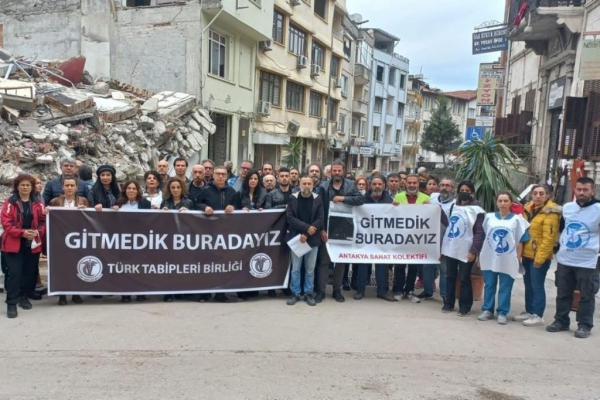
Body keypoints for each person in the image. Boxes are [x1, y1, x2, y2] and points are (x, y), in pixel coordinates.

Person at [547, 177, 600, 339]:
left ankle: (584, 325)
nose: (581, 193)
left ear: (593, 191)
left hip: (588, 261)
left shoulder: (598, 209)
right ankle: (561, 321)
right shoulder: (568, 208)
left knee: (587, 295)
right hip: (565, 260)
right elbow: (563, 229)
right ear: (575, 190)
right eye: (579, 189)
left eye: (585, 190)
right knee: (563, 292)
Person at [477, 192, 530, 325]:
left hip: (508, 257)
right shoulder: (488, 218)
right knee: (489, 284)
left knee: (506, 286)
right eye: (500, 201)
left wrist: (517, 258)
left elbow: (520, 240)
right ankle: (488, 310)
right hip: (489, 256)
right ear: (496, 202)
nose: (503, 203)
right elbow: (484, 238)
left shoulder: (518, 219)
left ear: (511, 202)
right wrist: (479, 255)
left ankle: (502, 312)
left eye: (506, 201)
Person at [316, 160, 365, 303]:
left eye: (339, 170)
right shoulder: (323, 186)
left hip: (345, 229)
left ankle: (337, 290)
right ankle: (321, 290)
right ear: (330, 172)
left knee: (340, 262)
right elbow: (319, 209)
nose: (336, 173)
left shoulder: (350, 185)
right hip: (327, 229)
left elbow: (360, 199)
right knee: (324, 261)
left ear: (343, 171)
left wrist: (343, 198)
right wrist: (322, 229)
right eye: (334, 171)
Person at [514, 184, 561, 327]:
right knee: (528, 284)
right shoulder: (528, 209)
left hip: (539, 256)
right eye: (535, 193)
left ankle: (538, 315)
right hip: (527, 254)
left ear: (547, 195)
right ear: (532, 195)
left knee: (537, 285)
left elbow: (549, 239)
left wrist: (540, 258)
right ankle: (530, 311)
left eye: (541, 193)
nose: (538, 196)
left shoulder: (551, 212)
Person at [1, 174, 46, 318]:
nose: (25, 187)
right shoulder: (10, 202)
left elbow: (43, 220)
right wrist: (22, 233)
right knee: (14, 273)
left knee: (29, 271)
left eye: (28, 185)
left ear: (32, 187)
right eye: (22, 185)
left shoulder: (37, 202)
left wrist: (37, 232)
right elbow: (6, 223)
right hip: (13, 243)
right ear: (17, 187)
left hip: (31, 242)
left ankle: (23, 297)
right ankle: (11, 303)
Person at [441, 180, 485, 317]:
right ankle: (448, 303)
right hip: (451, 247)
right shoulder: (453, 206)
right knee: (450, 276)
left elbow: (479, 232)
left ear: (472, 192)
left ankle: (465, 306)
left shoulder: (477, 210)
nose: (464, 193)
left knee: (465, 278)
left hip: (466, 250)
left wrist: (474, 251)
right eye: (462, 190)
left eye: (467, 190)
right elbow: (446, 221)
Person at [194, 166, 236, 303]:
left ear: (226, 176)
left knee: (222, 265)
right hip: (207, 233)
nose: (220, 176)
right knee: (207, 264)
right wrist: (204, 207)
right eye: (217, 174)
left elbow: (240, 206)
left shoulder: (232, 192)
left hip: (225, 233)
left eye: (223, 174)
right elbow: (195, 204)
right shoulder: (205, 191)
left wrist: (233, 207)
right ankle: (204, 293)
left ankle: (221, 293)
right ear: (213, 175)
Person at [354, 176, 396, 302]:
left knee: (382, 265)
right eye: (374, 184)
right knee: (363, 265)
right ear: (370, 185)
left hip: (382, 239)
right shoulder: (362, 199)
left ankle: (382, 291)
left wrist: (397, 208)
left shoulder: (389, 200)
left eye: (379, 184)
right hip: (365, 237)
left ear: (384, 185)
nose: (377, 186)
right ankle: (360, 290)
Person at [48, 175, 88, 306]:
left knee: (76, 265)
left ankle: (76, 293)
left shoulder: (83, 200)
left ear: (77, 187)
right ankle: (62, 295)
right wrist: (47, 211)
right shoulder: (55, 202)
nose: (69, 188)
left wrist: (86, 210)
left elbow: (90, 219)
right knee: (62, 267)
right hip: (60, 240)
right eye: (67, 185)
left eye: (72, 185)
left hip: (78, 239)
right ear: (62, 187)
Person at [286, 175, 324, 306]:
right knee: (295, 269)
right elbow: (290, 218)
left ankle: (308, 293)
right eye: (304, 183)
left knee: (310, 269)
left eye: (309, 183)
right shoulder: (293, 198)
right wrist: (306, 229)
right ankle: (295, 294)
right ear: (299, 185)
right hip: (297, 238)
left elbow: (320, 218)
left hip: (312, 239)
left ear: (313, 186)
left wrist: (307, 233)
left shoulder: (318, 199)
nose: (306, 186)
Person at [392, 174, 430, 303]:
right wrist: (393, 207)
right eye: (410, 183)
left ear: (419, 184)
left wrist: (429, 207)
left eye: (415, 183)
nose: (412, 185)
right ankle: (398, 290)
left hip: (417, 238)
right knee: (400, 266)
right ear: (405, 183)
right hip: (401, 238)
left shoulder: (426, 198)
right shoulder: (398, 197)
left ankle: (409, 291)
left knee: (413, 267)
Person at [112, 180, 152, 303]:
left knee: (139, 268)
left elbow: (150, 220)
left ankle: (140, 292)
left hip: (140, 240)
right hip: (123, 241)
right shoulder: (118, 203)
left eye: (134, 188)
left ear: (138, 190)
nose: (131, 191)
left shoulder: (145, 203)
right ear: (125, 190)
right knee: (125, 268)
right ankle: (126, 293)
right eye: (129, 188)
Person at [160, 177, 193, 303]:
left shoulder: (188, 202)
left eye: (178, 187)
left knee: (181, 266)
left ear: (182, 188)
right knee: (168, 267)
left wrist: (188, 212)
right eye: (173, 187)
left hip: (184, 240)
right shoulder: (165, 203)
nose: (175, 190)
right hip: (168, 240)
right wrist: (162, 212)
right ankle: (168, 292)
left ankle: (180, 290)